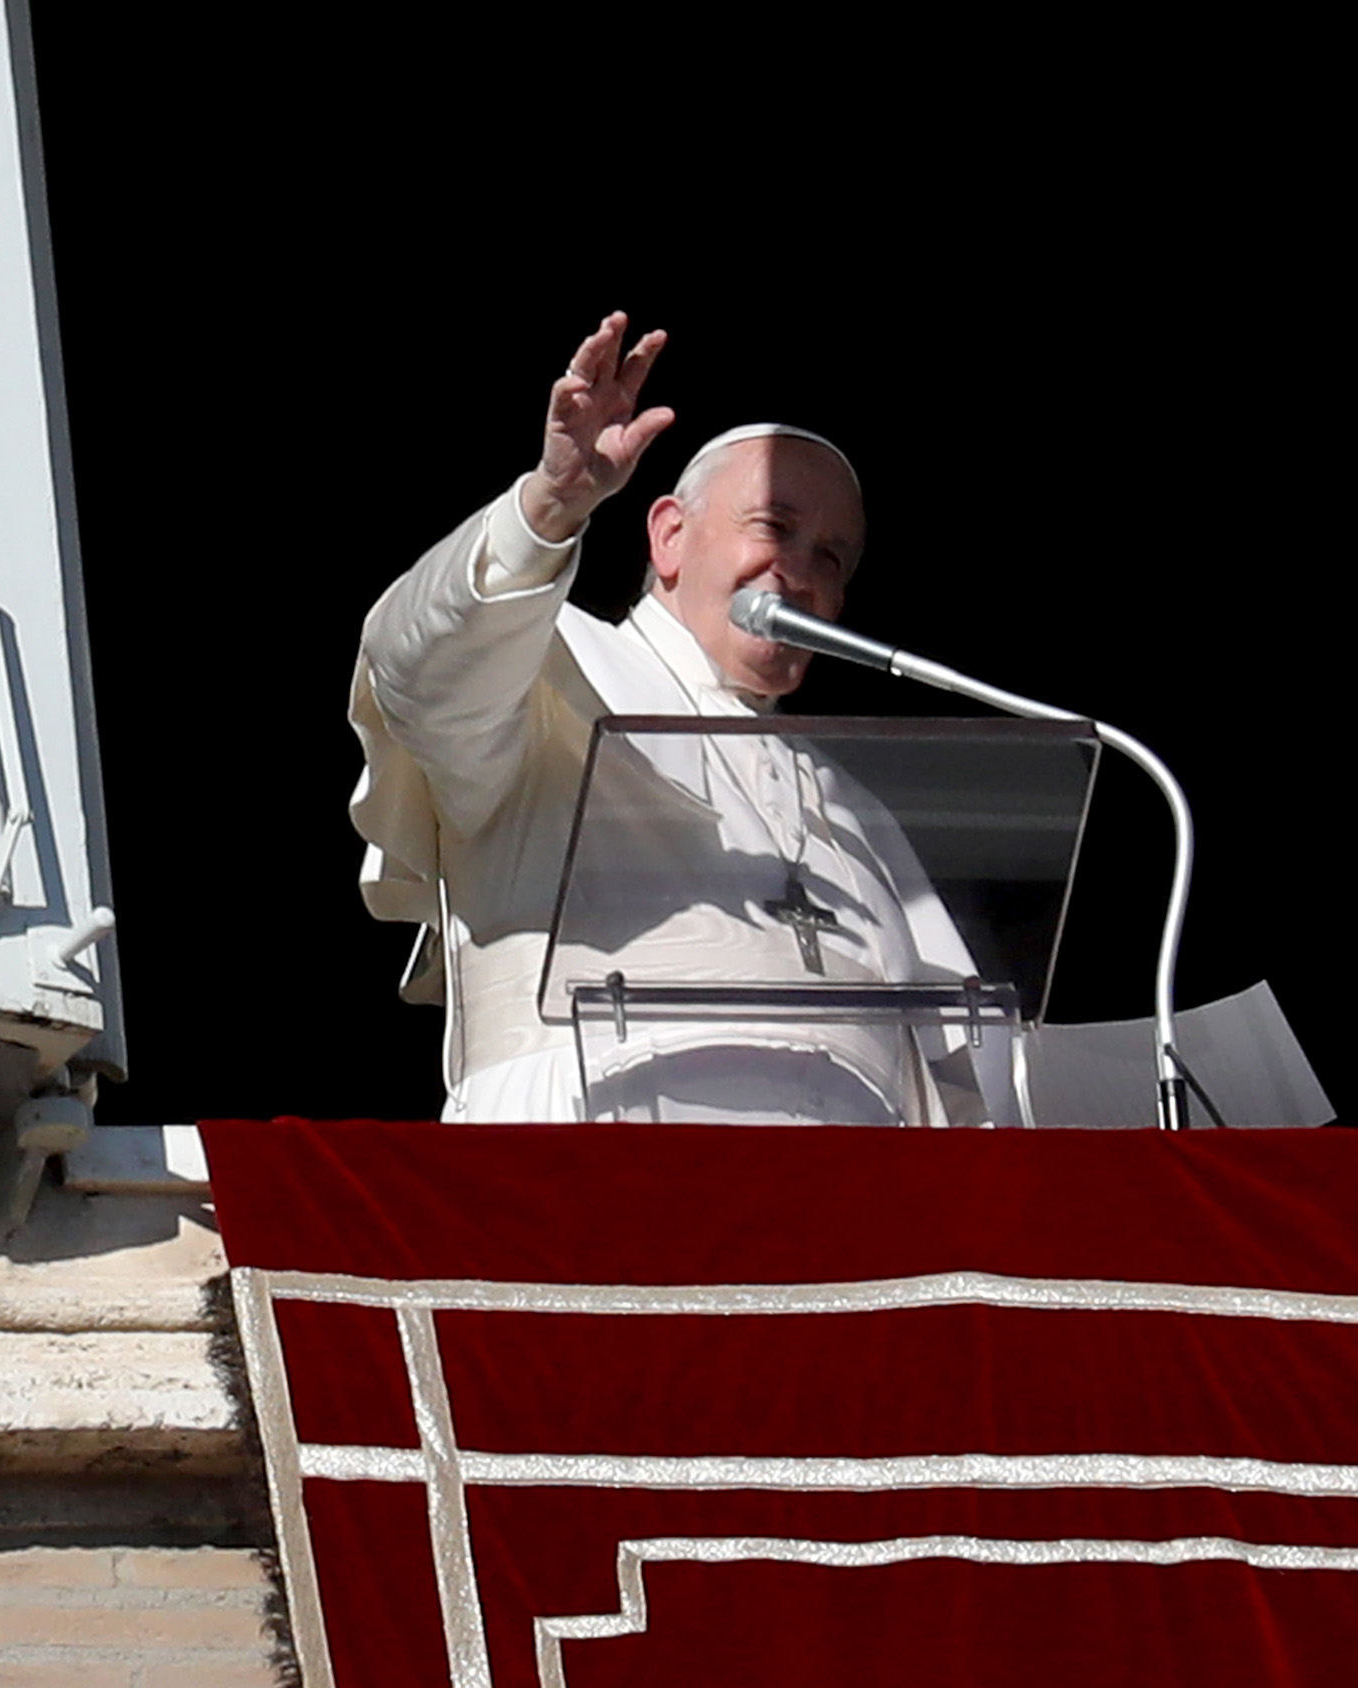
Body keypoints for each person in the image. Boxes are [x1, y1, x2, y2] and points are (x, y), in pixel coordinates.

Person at [350, 314, 978, 1122]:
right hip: (602, 1162)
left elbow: (958, 1063)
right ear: (671, 536)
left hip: (854, 1212)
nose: (800, 572)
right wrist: (548, 506)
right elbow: (417, 667)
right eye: (775, 527)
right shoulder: (550, 671)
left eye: (833, 556)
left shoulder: (850, 803)